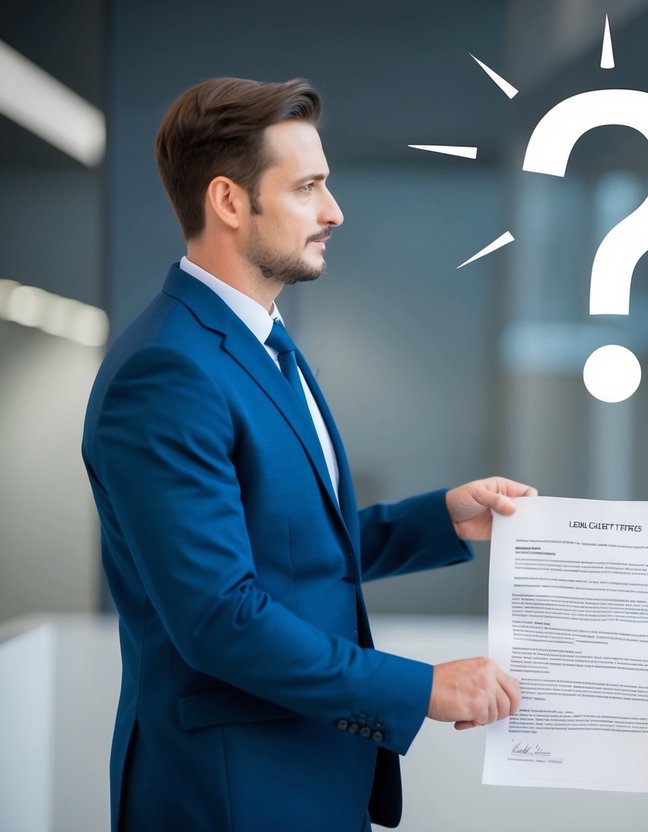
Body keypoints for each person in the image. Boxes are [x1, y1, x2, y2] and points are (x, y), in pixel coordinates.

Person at [81, 77, 534, 831]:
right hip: (233, 791)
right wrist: (423, 689)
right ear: (229, 201)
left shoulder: (260, 342)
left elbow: (283, 549)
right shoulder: (167, 371)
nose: (334, 211)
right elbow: (220, 616)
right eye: (307, 188)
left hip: (309, 773)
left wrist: (438, 521)